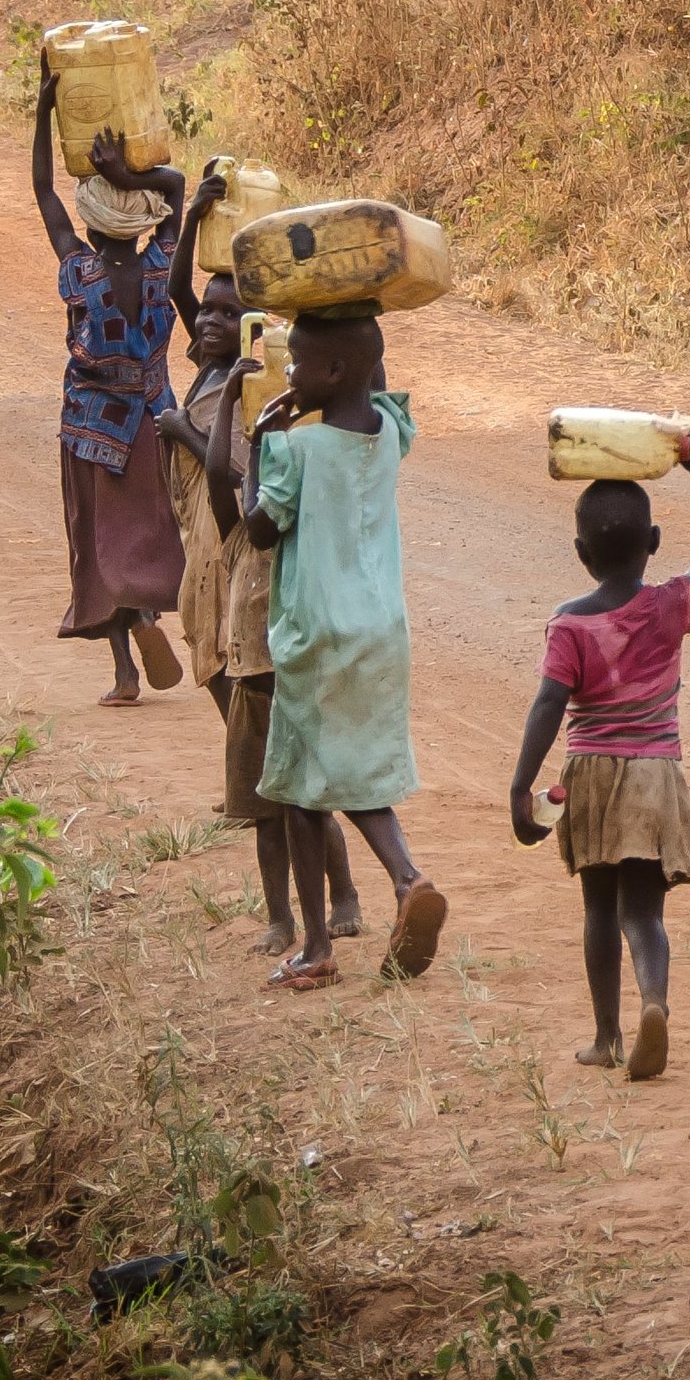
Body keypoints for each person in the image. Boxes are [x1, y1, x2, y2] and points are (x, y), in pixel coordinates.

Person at [509, 433, 690, 1080]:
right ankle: (656, 1001)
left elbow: (548, 705)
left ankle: (607, 1035)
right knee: (644, 912)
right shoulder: (670, 604)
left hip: (594, 774)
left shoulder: (569, 622)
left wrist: (520, 785)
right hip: (656, 772)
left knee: (597, 908)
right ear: (655, 541)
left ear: (580, 552)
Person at [236, 306, 448, 988]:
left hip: (315, 630)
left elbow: (260, 529)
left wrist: (258, 441)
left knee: (305, 788)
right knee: (337, 769)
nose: (288, 370)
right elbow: (375, 380)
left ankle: (330, 935)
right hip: (381, 624)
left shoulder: (296, 449)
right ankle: (391, 889)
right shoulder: (389, 432)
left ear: (329, 370)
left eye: (296, 360)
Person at [176, 261, 368, 954]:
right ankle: (282, 917)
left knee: (300, 793)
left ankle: (330, 901)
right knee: (266, 798)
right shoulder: (265, 439)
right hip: (246, 647)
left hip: (286, 649)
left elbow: (244, 502)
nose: (211, 323)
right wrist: (234, 408)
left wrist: (246, 433)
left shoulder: (300, 459)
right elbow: (231, 507)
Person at [30, 70, 188, 705]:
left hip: (93, 427)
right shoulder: (162, 266)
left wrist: (43, 111)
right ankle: (147, 610)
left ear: (90, 225)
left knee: (97, 539)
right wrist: (131, 175)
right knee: (146, 532)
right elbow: (177, 184)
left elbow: (42, 187)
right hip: (154, 419)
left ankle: (125, 668)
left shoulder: (79, 268)